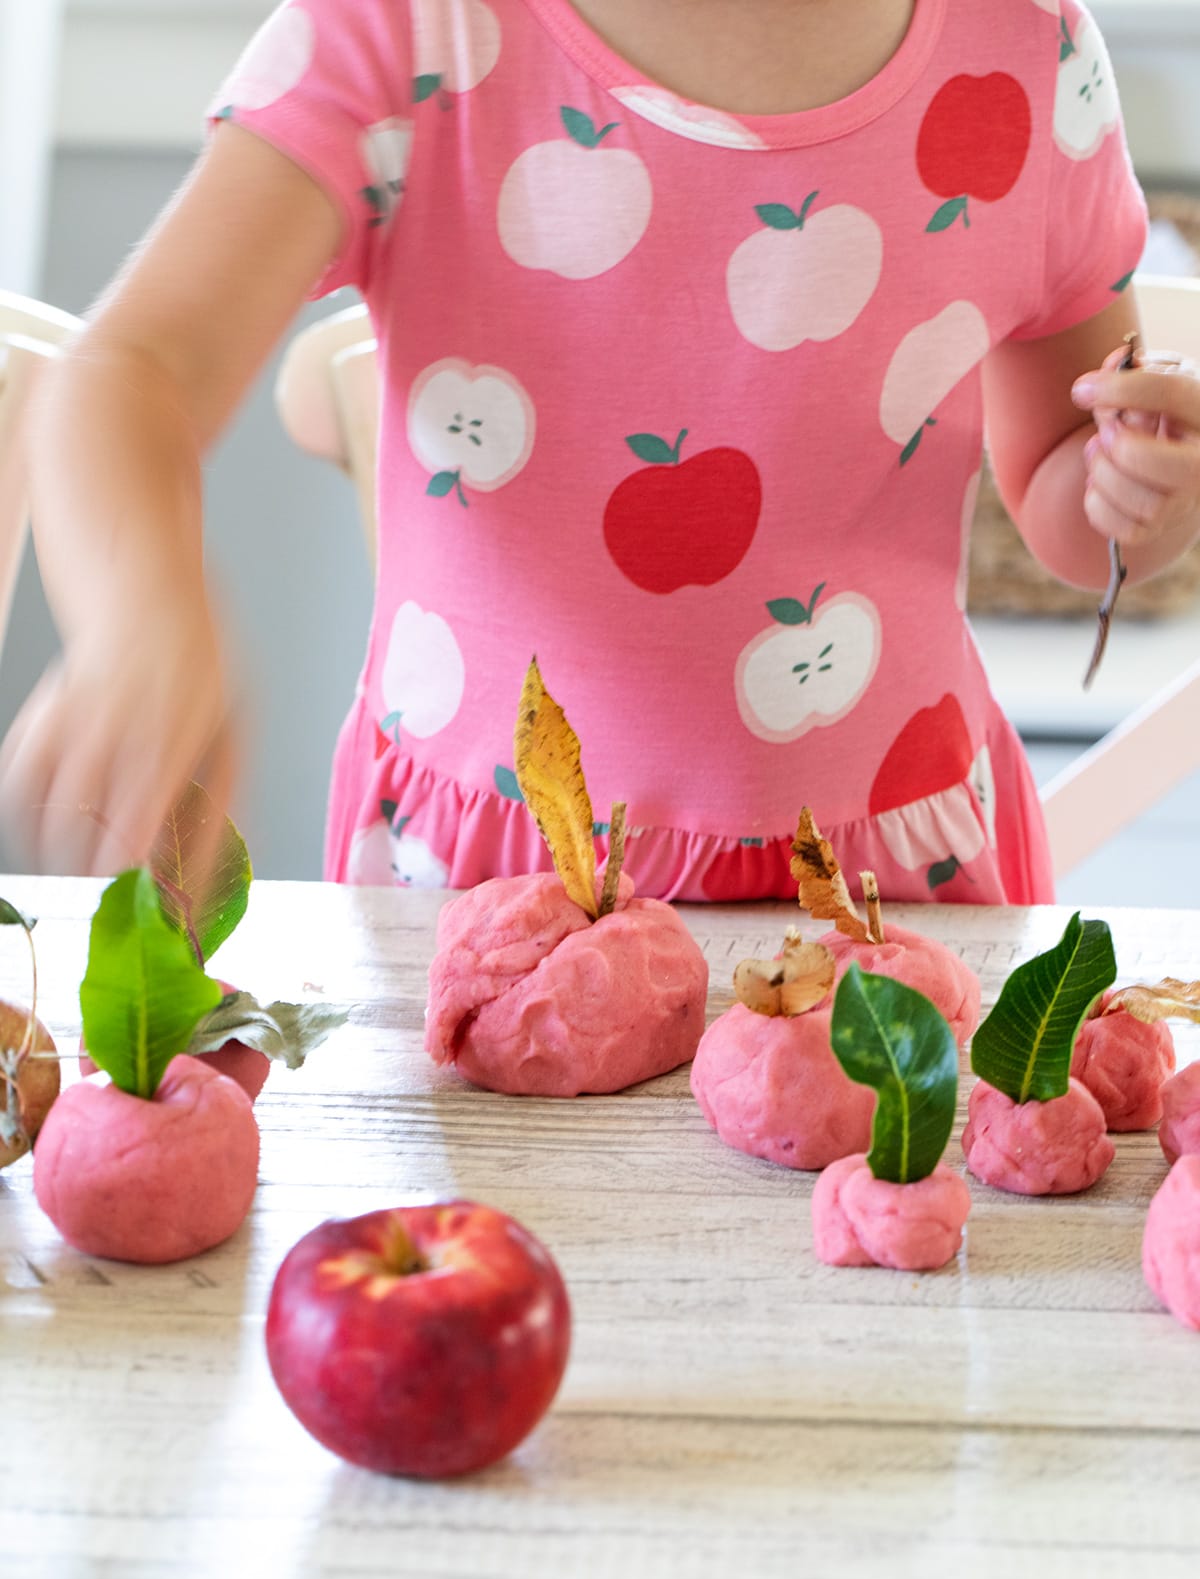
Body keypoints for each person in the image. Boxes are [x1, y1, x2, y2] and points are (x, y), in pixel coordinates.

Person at [5, 0, 1200, 904]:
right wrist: (141, 618)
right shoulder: (414, 31)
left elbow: (1063, 485)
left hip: (896, 879)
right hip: (487, 883)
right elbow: (135, 370)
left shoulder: (1029, 54)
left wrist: (1134, 493)